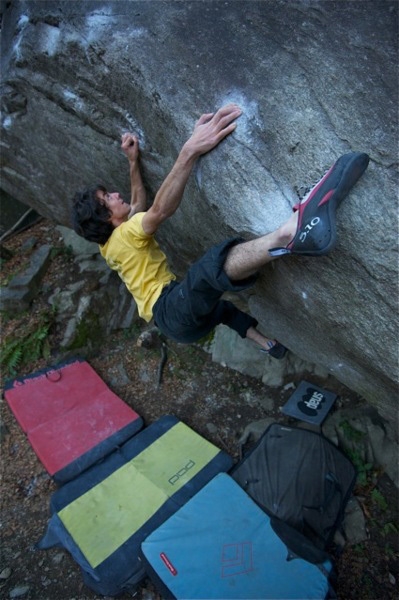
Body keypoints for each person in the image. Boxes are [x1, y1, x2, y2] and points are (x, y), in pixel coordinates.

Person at [72, 104, 369, 359]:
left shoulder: (109, 245)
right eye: (106, 199)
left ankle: (267, 345)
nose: (114, 194)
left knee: (222, 310)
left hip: (178, 325)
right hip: (171, 309)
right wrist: (190, 150)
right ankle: (290, 233)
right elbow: (159, 210)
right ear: (108, 218)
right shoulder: (126, 235)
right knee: (208, 271)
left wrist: (133, 162)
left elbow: (137, 202)